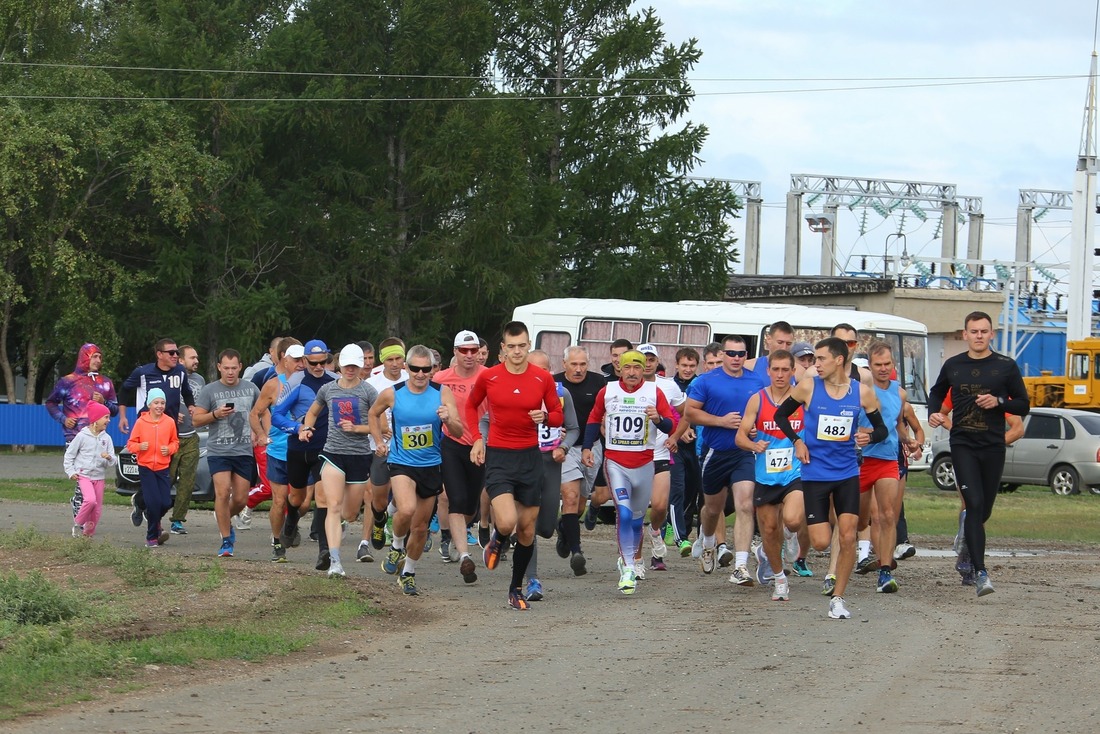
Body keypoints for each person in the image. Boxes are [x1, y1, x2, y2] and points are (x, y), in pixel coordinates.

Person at [774, 337, 888, 620]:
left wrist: (870, 435)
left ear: (839, 360)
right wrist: (797, 441)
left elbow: (882, 430)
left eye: (821, 359)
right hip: (815, 474)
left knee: (848, 535)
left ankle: (838, 597)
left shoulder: (862, 393)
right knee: (822, 542)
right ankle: (790, 536)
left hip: (847, 472)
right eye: (814, 360)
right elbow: (780, 415)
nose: (815, 364)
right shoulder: (809, 387)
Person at [928, 311, 1029, 597]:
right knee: (973, 504)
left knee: (983, 510)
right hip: (963, 444)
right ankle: (981, 572)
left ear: (992, 334)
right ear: (965, 334)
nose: (979, 336)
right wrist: (934, 413)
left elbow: (1023, 405)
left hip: (993, 445)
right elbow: (936, 393)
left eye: (984, 331)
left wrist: (998, 401)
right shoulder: (954, 365)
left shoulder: (1006, 366)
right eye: (974, 331)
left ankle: (966, 536)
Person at [466, 321, 563, 611]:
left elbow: (558, 415)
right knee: (507, 521)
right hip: (499, 456)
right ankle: (497, 537)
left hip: (530, 458)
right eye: (512, 347)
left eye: (523, 346)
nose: (518, 351)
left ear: (528, 345)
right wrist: (476, 439)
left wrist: (544, 418)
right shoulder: (490, 377)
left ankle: (515, 588)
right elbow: (471, 406)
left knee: (527, 530)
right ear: (503, 349)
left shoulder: (542, 378)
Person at [369, 345, 464, 595]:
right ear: (406, 368)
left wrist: (448, 419)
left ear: (433, 370)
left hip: (431, 465)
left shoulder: (442, 393)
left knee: (421, 527)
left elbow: (458, 431)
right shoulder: (393, 393)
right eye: (415, 369)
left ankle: (408, 572)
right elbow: (373, 413)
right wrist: (379, 441)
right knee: (407, 508)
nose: (420, 374)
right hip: (402, 463)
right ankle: (397, 544)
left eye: (426, 369)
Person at [582, 349, 676, 594]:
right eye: (627, 368)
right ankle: (628, 568)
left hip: (645, 464)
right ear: (620, 370)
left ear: (644, 368)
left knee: (636, 519)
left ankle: (631, 559)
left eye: (637, 367)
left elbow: (670, 424)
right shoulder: (608, 391)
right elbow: (594, 419)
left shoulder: (654, 393)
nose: (632, 372)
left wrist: (657, 420)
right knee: (622, 513)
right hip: (616, 463)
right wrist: (586, 448)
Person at [672, 335, 764, 583]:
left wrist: (753, 428)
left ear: (747, 355)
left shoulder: (756, 381)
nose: (736, 359)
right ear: (722, 354)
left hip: (744, 452)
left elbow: (761, 414)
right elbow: (690, 413)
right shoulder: (706, 381)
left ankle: (741, 566)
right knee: (713, 508)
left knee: (745, 504)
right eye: (731, 354)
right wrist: (721, 421)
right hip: (714, 452)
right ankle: (709, 541)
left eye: (741, 354)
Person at [298, 343, 378, 578]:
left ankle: (341, 524)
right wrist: (307, 427)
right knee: (332, 506)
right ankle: (335, 562)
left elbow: (381, 426)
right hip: (332, 453)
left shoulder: (368, 392)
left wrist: (357, 428)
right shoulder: (327, 389)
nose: (350, 370)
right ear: (340, 365)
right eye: (347, 365)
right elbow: (312, 411)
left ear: (361, 366)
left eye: (355, 365)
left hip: (359, 456)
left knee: (350, 513)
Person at [736, 349, 805, 601]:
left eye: (785, 369)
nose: (779, 374)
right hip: (765, 474)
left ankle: (791, 535)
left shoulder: (802, 398)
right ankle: (779, 578)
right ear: (768, 371)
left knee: (794, 520)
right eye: (775, 369)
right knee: (768, 529)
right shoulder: (757, 399)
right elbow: (740, 436)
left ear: (793, 371)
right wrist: (753, 445)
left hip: (794, 471)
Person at [855, 340, 917, 594]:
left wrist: (910, 441)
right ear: (870, 366)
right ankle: (848, 561)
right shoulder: (859, 391)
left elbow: (897, 425)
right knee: (858, 520)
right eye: (877, 364)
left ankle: (885, 570)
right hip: (861, 461)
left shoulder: (899, 393)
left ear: (893, 365)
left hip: (887, 460)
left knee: (887, 514)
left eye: (887, 364)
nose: (882, 369)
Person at [518, 350, 580, 600]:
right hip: (522, 462)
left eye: (544, 369)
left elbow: (574, 428)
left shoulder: (561, 393)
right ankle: (532, 579)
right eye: (534, 369)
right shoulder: (515, 391)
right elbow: (488, 421)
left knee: (544, 528)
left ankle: (559, 527)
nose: (539, 374)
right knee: (529, 525)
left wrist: (563, 447)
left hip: (551, 463)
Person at [272, 339, 337, 568]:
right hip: (298, 449)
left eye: (323, 362)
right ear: (305, 361)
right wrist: (298, 428)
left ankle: (324, 551)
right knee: (298, 500)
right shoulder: (296, 382)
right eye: (313, 363)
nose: (318, 367)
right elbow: (276, 416)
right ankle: (291, 519)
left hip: (325, 449)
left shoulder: (335, 382)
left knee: (323, 497)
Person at [192, 349, 262, 558]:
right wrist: (215, 414)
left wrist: (260, 433)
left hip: (243, 451)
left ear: (240, 367)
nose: (230, 372)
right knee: (222, 493)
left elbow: (262, 412)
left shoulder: (251, 389)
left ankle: (223, 516)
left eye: (234, 368)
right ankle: (225, 540)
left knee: (240, 499)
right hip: (218, 450)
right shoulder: (209, 390)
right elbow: (196, 420)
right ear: (219, 367)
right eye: (226, 368)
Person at [118, 338, 195, 527]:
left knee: (166, 476)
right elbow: (124, 391)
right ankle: (154, 522)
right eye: (171, 353)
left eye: (177, 352)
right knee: (156, 473)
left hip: (169, 430)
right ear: (159, 354)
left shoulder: (180, 371)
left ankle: (142, 503)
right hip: (147, 429)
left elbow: (186, 391)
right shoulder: (143, 373)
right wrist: (122, 416)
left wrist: (191, 406)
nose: (176, 356)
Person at [433, 330, 488, 583]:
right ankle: (465, 556)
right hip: (452, 444)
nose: (469, 355)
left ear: (479, 352)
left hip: (481, 445)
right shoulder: (441, 378)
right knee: (454, 498)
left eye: (473, 350)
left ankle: (459, 534)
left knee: (470, 504)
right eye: (464, 351)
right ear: (454, 352)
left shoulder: (489, 377)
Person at [45, 343, 119, 521]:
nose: (98, 360)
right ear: (84, 357)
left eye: (100, 357)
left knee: (93, 479)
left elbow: (114, 410)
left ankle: (80, 508)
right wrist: (63, 419)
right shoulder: (68, 381)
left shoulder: (105, 383)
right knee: (82, 477)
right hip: (75, 436)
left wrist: (104, 402)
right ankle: (80, 517)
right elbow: (51, 403)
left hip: (98, 438)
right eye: (94, 356)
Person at [251, 338, 306, 562]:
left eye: (304, 360)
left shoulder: (313, 384)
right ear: (285, 359)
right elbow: (255, 413)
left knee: (301, 501)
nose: (301, 364)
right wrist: (262, 435)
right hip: (278, 451)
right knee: (279, 500)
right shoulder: (274, 385)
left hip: (303, 450)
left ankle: (290, 524)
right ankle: (277, 541)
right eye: (297, 360)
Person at [553, 345, 606, 575]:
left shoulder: (599, 383)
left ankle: (564, 529)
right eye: (573, 364)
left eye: (583, 364)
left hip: (592, 447)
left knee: (581, 504)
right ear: (564, 364)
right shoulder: (554, 384)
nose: (578, 369)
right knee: (570, 497)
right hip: (565, 448)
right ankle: (577, 552)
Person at [637, 343, 686, 573]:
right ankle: (634, 561)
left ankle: (655, 531)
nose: (647, 363)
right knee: (635, 510)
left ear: (657, 362)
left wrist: (675, 436)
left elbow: (688, 411)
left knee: (659, 505)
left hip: (659, 453)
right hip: (633, 455)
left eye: (651, 359)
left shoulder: (668, 386)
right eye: (643, 359)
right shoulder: (623, 386)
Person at [361, 338, 409, 559]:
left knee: (404, 494)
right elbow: (369, 414)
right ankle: (380, 520)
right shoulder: (373, 383)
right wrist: (378, 435)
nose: (395, 363)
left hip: (407, 449)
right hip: (380, 448)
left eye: (399, 358)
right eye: (390, 359)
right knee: (378, 498)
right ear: (383, 360)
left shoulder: (412, 379)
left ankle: (396, 527)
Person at [126, 389, 179, 547]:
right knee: (153, 502)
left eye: (162, 403)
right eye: (156, 402)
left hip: (162, 467)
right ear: (149, 404)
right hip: (146, 467)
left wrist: (169, 449)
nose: (160, 406)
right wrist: (140, 446)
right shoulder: (141, 422)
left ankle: (154, 519)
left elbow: (175, 442)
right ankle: (151, 537)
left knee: (165, 502)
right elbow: (130, 444)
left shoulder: (169, 422)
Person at [63, 402, 116, 538]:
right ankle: (77, 524)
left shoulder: (107, 438)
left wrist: (109, 458)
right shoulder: (82, 436)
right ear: (95, 420)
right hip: (84, 475)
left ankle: (88, 535)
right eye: (105, 417)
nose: (108, 420)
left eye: (108, 417)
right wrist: (71, 472)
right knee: (90, 500)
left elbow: (113, 461)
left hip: (99, 477)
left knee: (97, 509)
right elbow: (69, 454)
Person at [667, 347, 701, 555]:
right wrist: (680, 432)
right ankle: (676, 531)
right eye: (684, 366)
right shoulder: (670, 386)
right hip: (676, 445)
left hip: (697, 446)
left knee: (693, 491)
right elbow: (670, 413)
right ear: (677, 365)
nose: (688, 370)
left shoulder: (701, 384)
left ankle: (685, 529)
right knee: (676, 489)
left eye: (692, 366)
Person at [169, 345, 206, 534]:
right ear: (181, 360)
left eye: (197, 357)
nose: (196, 361)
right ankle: (143, 503)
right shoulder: (170, 378)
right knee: (166, 479)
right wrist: (171, 414)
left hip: (191, 436)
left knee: (187, 481)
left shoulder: (200, 380)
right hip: (170, 437)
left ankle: (177, 520)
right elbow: (153, 403)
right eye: (192, 358)